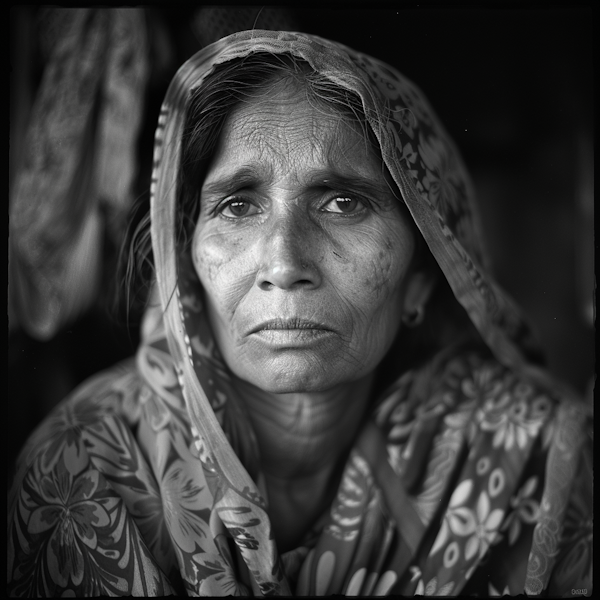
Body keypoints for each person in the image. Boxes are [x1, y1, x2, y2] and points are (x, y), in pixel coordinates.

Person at [7, 30, 592, 597]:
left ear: (421, 277)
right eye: (238, 206)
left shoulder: (535, 459)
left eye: (343, 202)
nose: (284, 262)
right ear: (187, 265)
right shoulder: (84, 472)